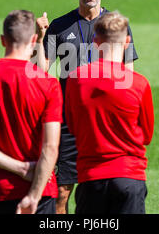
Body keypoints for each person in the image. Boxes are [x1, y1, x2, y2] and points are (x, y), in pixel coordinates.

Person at [34, 0, 139, 213]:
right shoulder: (59, 26)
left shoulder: (117, 26)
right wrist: (40, 37)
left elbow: (128, 76)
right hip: (68, 120)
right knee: (62, 190)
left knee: (103, 187)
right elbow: (39, 71)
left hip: (105, 120)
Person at [0, 10, 62, 214]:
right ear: (34, 39)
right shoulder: (48, 84)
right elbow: (50, 147)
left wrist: (20, 168)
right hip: (41, 192)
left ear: (2, 40)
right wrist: (33, 195)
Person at [65, 11, 154, 214]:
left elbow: (72, 125)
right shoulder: (139, 83)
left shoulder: (75, 79)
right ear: (127, 42)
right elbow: (146, 136)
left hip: (91, 178)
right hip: (129, 177)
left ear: (95, 42)